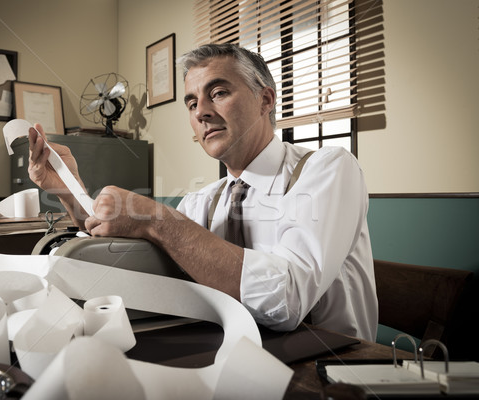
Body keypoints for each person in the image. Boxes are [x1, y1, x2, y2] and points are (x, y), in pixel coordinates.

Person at [28, 43, 378, 341]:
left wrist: (156, 218)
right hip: (235, 357)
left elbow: (286, 302)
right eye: (192, 103)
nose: (203, 113)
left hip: (331, 371)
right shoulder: (203, 200)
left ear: (266, 99)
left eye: (219, 93)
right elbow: (139, 262)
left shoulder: (328, 168)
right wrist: (69, 191)